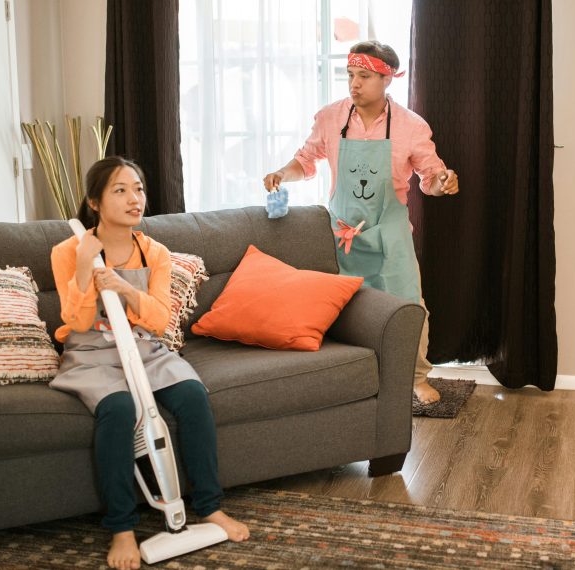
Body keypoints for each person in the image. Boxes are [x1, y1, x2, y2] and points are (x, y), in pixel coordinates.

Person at [50, 156, 249, 570]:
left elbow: (159, 319)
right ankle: (122, 528)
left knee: (194, 396)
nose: (134, 198)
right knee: (119, 409)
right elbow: (78, 321)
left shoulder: (155, 252)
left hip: (144, 348)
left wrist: (123, 287)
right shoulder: (67, 250)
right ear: (94, 202)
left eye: (138, 188)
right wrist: (86, 265)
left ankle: (210, 506)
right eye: (120, 190)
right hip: (92, 355)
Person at [263, 41, 459, 405]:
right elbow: (306, 161)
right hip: (342, 232)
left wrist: (443, 182)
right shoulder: (329, 118)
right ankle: (351, 378)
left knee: (408, 306)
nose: (354, 83)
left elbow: (431, 177)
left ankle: (415, 378)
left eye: (364, 76)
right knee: (344, 308)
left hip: (391, 233)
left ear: (387, 79)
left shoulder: (411, 127)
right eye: (350, 75)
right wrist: (281, 173)